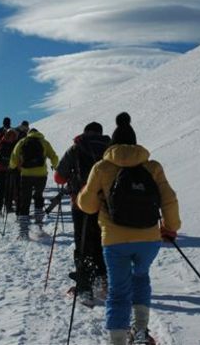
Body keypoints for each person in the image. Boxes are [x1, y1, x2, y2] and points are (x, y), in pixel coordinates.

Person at [78, 112, 180, 345]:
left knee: (118, 291)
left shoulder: (102, 167)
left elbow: (88, 206)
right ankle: (141, 332)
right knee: (141, 278)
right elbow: (169, 199)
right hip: (148, 237)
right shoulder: (152, 166)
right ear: (135, 143)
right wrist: (170, 227)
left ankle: (117, 341)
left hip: (114, 241)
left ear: (112, 143)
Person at [54, 121, 111, 305]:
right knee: (101, 241)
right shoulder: (110, 149)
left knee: (83, 242)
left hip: (80, 202)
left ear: (85, 132)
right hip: (105, 205)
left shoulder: (76, 148)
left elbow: (59, 177)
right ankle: (102, 279)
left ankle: (85, 287)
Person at [9, 128, 58, 239]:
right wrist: (56, 166)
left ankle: (23, 232)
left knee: (25, 201)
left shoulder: (22, 142)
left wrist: (11, 167)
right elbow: (53, 156)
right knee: (38, 197)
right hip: (41, 175)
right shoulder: (44, 142)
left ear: (29, 133)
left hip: (26, 175)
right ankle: (39, 227)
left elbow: (14, 157)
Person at [0, 128, 19, 216]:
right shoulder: (15, 144)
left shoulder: (2, 142)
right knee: (9, 188)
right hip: (11, 169)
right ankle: (8, 207)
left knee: (2, 189)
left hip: (2, 169)